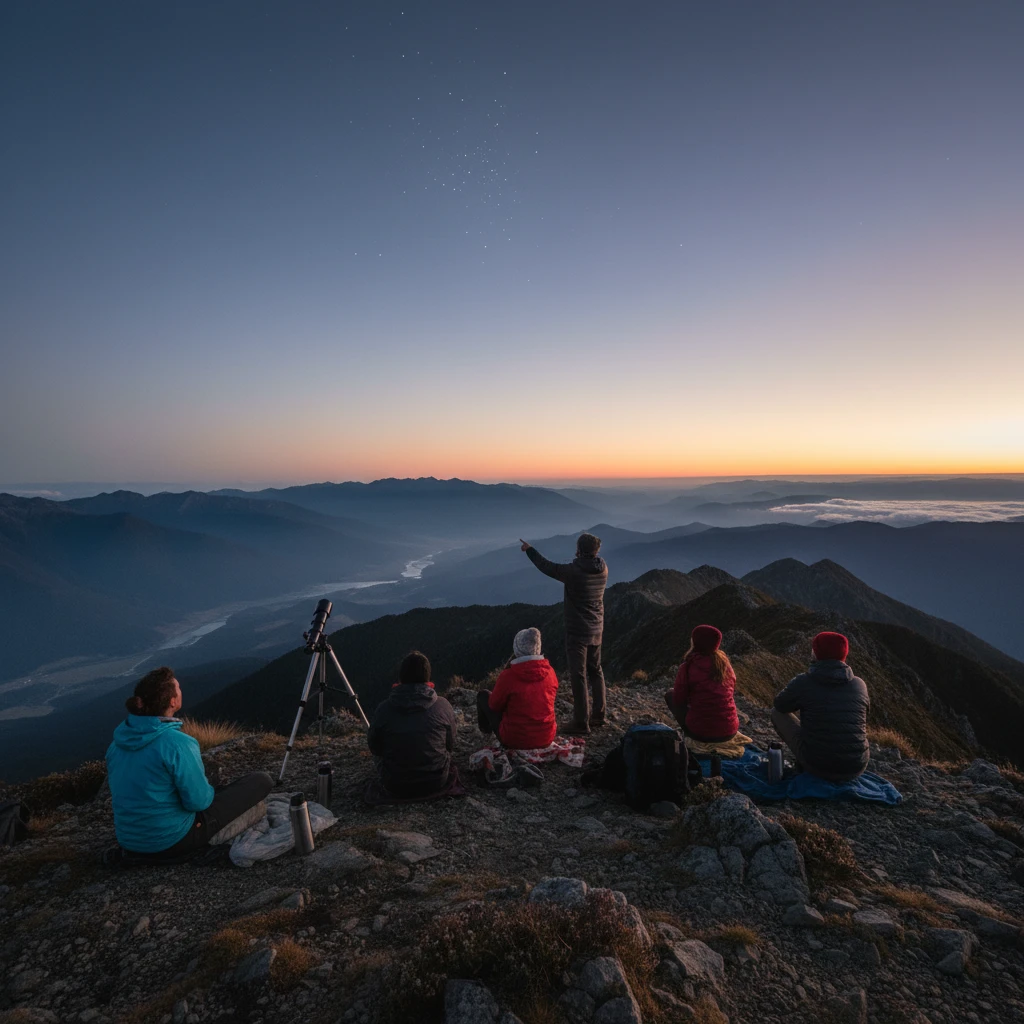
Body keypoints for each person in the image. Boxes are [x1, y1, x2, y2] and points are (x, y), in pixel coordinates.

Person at [106, 666, 273, 860]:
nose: (180, 689)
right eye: (178, 687)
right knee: (262, 781)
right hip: (173, 840)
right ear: (173, 701)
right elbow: (199, 802)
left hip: (130, 841)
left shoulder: (116, 745)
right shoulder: (177, 744)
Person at [520, 532, 608, 735]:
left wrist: (529, 550)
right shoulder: (603, 569)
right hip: (597, 627)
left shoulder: (573, 571)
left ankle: (581, 722)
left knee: (578, 675)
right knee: (596, 670)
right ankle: (599, 716)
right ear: (596, 551)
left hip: (577, 630)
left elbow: (547, 567)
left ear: (579, 550)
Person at [770, 631, 870, 782]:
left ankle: (805, 762)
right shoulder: (859, 684)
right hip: (857, 766)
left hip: (819, 767)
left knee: (776, 713)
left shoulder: (804, 681)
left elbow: (780, 705)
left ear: (816, 654)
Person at [368, 651, 458, 799]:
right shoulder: (443, 705)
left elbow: (375, 748)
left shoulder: (383, 708)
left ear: (401, 678)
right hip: (436, 782)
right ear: (427, 678)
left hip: (394, 784)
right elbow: (450, 745)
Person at [477, 627, 559, 750]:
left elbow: (494, 705)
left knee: (483, 696)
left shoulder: (508, 676)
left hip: (515, 740)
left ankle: (485, 732)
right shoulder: (550, 673)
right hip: (546, 737)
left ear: (517, 649)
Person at [664, 624, 739, 742]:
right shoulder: (725, 665)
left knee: (670, 695)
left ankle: (688, 735)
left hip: (701, 733)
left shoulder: (688, 666)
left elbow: (679, 699)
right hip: (730, 731)